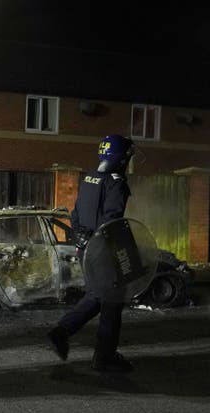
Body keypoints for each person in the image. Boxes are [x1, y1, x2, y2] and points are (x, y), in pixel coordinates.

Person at [47, 134, 136, 373]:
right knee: (112, 302)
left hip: (86, 249)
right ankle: (104, 357)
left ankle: (62, 332)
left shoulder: (89, 178)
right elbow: (113, 220)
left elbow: (75, 214)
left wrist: (82, 236)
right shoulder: (116, 182)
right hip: (105, 250)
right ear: (120, 159)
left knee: (97, 295)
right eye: (128, 157)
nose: (129, 162)